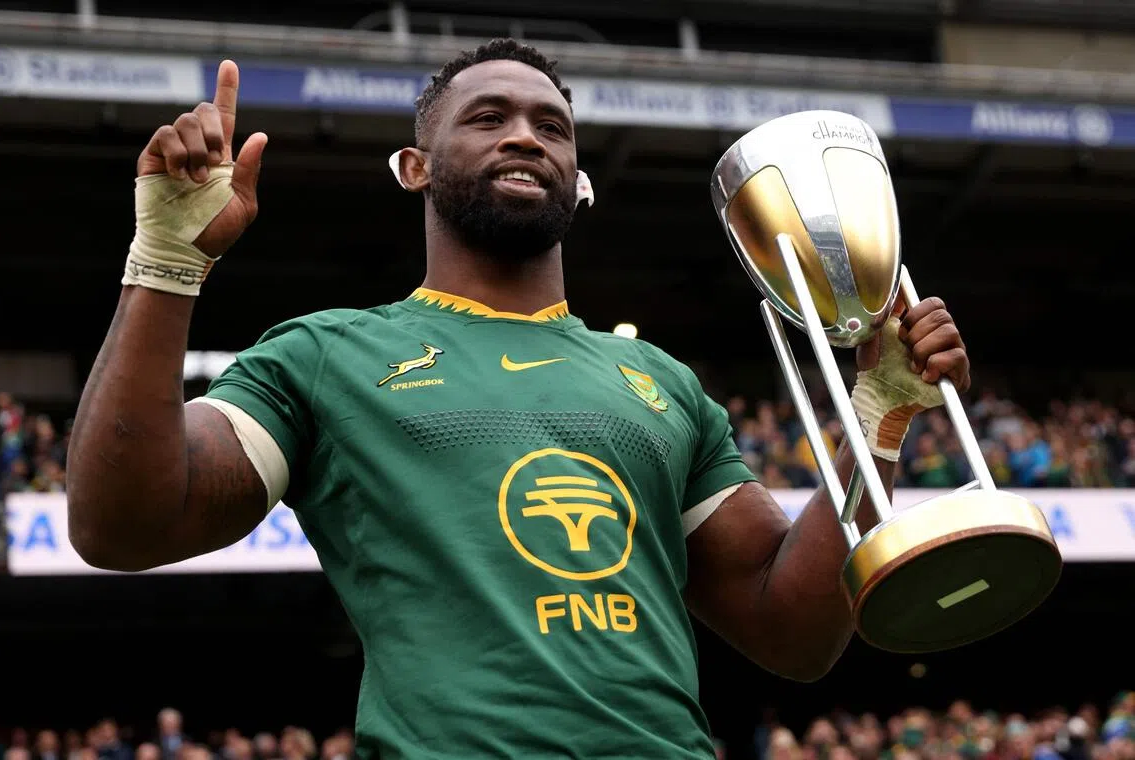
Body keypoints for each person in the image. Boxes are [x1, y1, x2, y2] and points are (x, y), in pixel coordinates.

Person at [66, 39, 972, 760]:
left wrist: (876, 413)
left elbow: (793, 632)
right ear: (415, 167)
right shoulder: (325, 357)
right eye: (488, 117)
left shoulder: (660, 384)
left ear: (579, 181)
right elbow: (123, 526)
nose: (525, 136)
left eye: (551, 125)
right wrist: (168, 262)